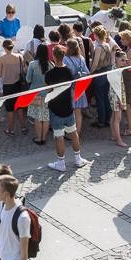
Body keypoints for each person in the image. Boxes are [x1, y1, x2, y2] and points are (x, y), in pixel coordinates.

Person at [46, 44, 88, 172]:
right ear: (63, 56)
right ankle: (78, 159)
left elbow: (49, 89)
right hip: (68, 107)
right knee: (73, 133)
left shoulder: (50, 74)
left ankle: (61, 163)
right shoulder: (69, 72)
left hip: (55, 108)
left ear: (53, 57)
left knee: (59, 136)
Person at [0, 39, 26, 136]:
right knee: (19, 107)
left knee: (9, 109)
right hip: (18, 84)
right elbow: (23, 70)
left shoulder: (1, 59)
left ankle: (11, 129)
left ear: (4, 48)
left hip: (7, 86)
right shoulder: (20, 56)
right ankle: (23, 127)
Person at [87, 26, 115, 129]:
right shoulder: (107, 44)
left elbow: (95, 64)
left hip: (99, 74)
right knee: (105, 97)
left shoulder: (99, 48)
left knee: (100, 98)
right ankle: (108, 118)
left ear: (96, 35)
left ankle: (101, 121)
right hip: (107, 73)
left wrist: (90, 73)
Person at [24, 45, 50, 146]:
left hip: (35, 94)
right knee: (46, 117)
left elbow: (28, 79)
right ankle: (44, 138)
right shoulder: (50, 64)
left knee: (37, 117)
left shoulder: (32, 64)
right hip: (47, 94)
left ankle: (39, 138)